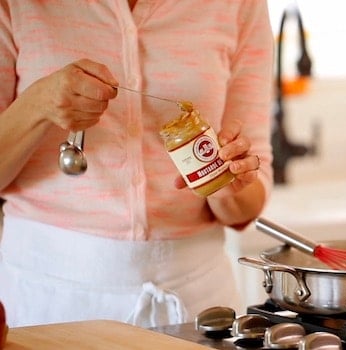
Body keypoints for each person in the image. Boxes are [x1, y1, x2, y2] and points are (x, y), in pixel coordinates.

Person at [0, 1, 274, 328]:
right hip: (47, 302)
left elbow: (249, 198)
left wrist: (224, 185)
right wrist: (38, 104)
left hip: (197, 306)